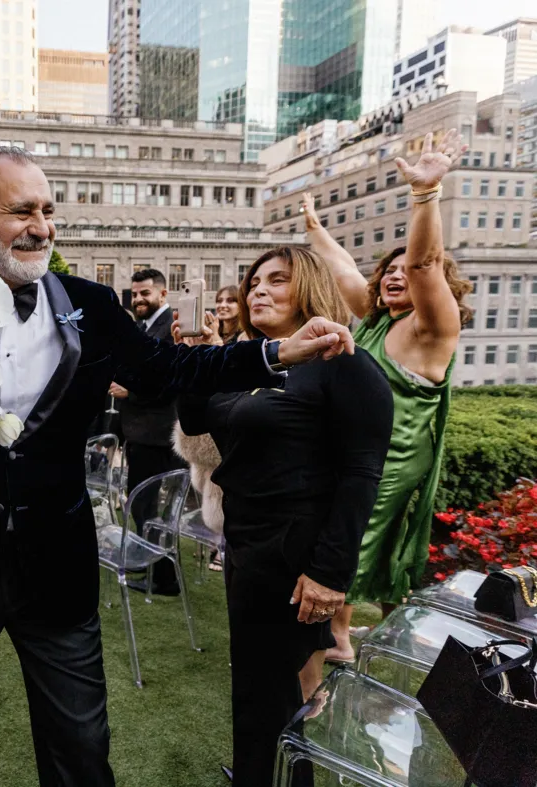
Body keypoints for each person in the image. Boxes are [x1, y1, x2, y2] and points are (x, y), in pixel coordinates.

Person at [0, 146, 359, 787]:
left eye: (48, 209)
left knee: (82, 746)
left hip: (56, 563)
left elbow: (167, 371)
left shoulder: (90, 304)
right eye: (20, 211)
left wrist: (274, 352)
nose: (42, 226)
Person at [177, 247, 393, 787]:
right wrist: (199, 359)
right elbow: (194, 417)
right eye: (253, 282)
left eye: (277, 280)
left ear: (311, 288)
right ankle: (256, 773)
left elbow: (362, 474)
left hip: (298, 551)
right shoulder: (255, 360)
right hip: (248, 544)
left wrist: (331, 573)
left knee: (277, 690)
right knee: (255, 684)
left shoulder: (343, 361)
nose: (257, 291)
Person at [304, 129, 472, 664]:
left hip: (393, 454)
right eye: (389, 271)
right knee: (340, 519)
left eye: (408, 271)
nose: (398, 275)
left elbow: (424, 264)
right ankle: (337, 627)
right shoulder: (377, 316)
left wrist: (426, 194)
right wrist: (313, 226)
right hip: (352, 445)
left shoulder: (432, 328)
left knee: (361, 528)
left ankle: (340, 637)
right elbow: (343, 269)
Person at [109, 268, 185, 595]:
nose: (139, 299)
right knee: (145, 508)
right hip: (140, 432)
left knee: (149, 508)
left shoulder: (170, 328)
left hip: (156, 434)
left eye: (145, 294)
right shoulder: (144, 326)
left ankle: (163, 578)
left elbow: (172, 379)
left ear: (162, 295)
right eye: (135, 294)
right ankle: (158, 572)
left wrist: (131, 391)